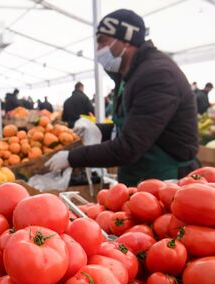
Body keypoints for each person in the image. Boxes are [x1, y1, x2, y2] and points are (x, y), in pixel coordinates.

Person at [46, 9, 198, 186]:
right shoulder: (129, 75)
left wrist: (72, 158)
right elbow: (131, 125)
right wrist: (97, 130)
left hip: (167, 180)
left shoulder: (157, 75)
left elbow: (129, 146)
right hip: (142, 177)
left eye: (103, 41)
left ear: (126, 41)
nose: (98, 50)